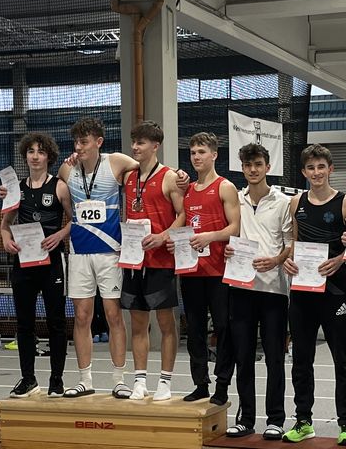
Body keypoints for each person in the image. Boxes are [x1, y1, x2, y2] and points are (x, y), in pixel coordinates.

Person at [283, 144, 346, 445]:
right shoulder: (296, 203)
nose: (316, 173)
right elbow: (295, 241)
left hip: (335, 291)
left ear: (330, 169)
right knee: (301, 359)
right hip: (303, 291)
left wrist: (341, 259)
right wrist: (288, 260)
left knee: (343, 359)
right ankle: (303, 421)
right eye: (311, 168)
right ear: (304, 172)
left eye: (321, 167)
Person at [62, 115, 137, 398]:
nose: (78, 147)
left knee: (113, 315)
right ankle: (85, 379)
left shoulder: (116, 162)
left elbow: (148, 170)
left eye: (84, 142)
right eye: (76, 142)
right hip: (79, 253)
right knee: (81, 316)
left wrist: (178, 176)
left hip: (110, 252)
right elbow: (59, 196)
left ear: (99, 142)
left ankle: (119, 380)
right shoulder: (67, 169)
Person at [224, 141, 293, 440]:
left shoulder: (283, 202)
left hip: (274, 289)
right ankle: (246, 418)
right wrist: (227, 250)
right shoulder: (235, 200)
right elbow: (228, 233)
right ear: (242, 168)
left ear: (268, 167)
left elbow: (291, 243)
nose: (253, 170)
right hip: (240, 287)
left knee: (275, 356)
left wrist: (276, 260)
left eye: (258, 165)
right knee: (243, 356)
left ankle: (276, 418)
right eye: (248, 165)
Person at [0, 134, 72, 397]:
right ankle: (28, 379)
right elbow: (5, 225)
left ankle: (56, 380)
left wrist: (60, 235)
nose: (35, 156)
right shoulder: (15, 189)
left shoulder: (60, 187)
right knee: (24, 324)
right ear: (25, 156)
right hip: (24, 263)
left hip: (52, 263)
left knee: (56, 322)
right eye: (30, 151)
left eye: (40, 152)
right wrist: (6, 241)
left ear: (48, 157)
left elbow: (75, 220)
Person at [121, 120, 184, 401]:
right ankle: (139, 381)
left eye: (141, 142)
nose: (135, 147)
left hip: (161, 260)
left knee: (165, 322)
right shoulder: (128, 176)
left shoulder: (170, 177)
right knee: (137, 324)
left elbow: (183, 215)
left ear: (155, 146)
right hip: (134, 260)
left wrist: (163, 236)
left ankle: (165, 381)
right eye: (134, 141)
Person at [176, 131, 240, 403]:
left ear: (214, 155)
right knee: (195, 329)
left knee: (223, 328)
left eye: (201, 152)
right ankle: (200, 383)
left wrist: (210, 237)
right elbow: (183, 225)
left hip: (219, 271)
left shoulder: (225, 187)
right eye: (193, 153)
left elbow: (235, 227)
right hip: (192, 271)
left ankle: (222, 385)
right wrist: (175, 243)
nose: (196, 157)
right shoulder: (188, 190)